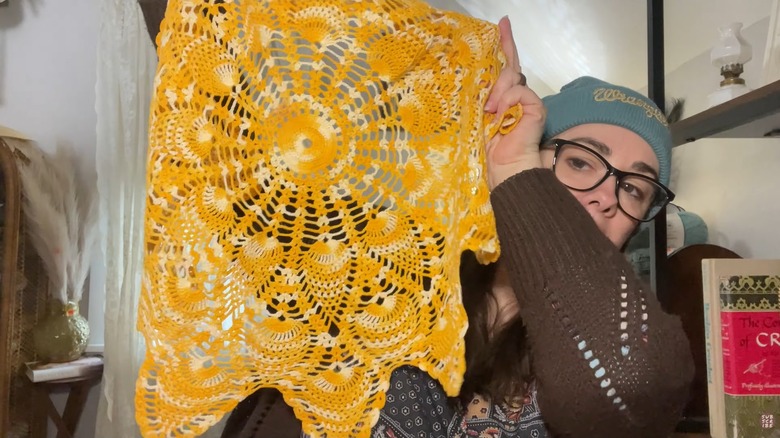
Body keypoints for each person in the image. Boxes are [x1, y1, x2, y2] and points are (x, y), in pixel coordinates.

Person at [371, 17, 695, 438]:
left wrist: (515, 174)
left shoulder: (618, 341)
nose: (607, 197)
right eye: (580, 161)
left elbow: (634, 390)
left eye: (634, 188)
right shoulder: (397, 287)